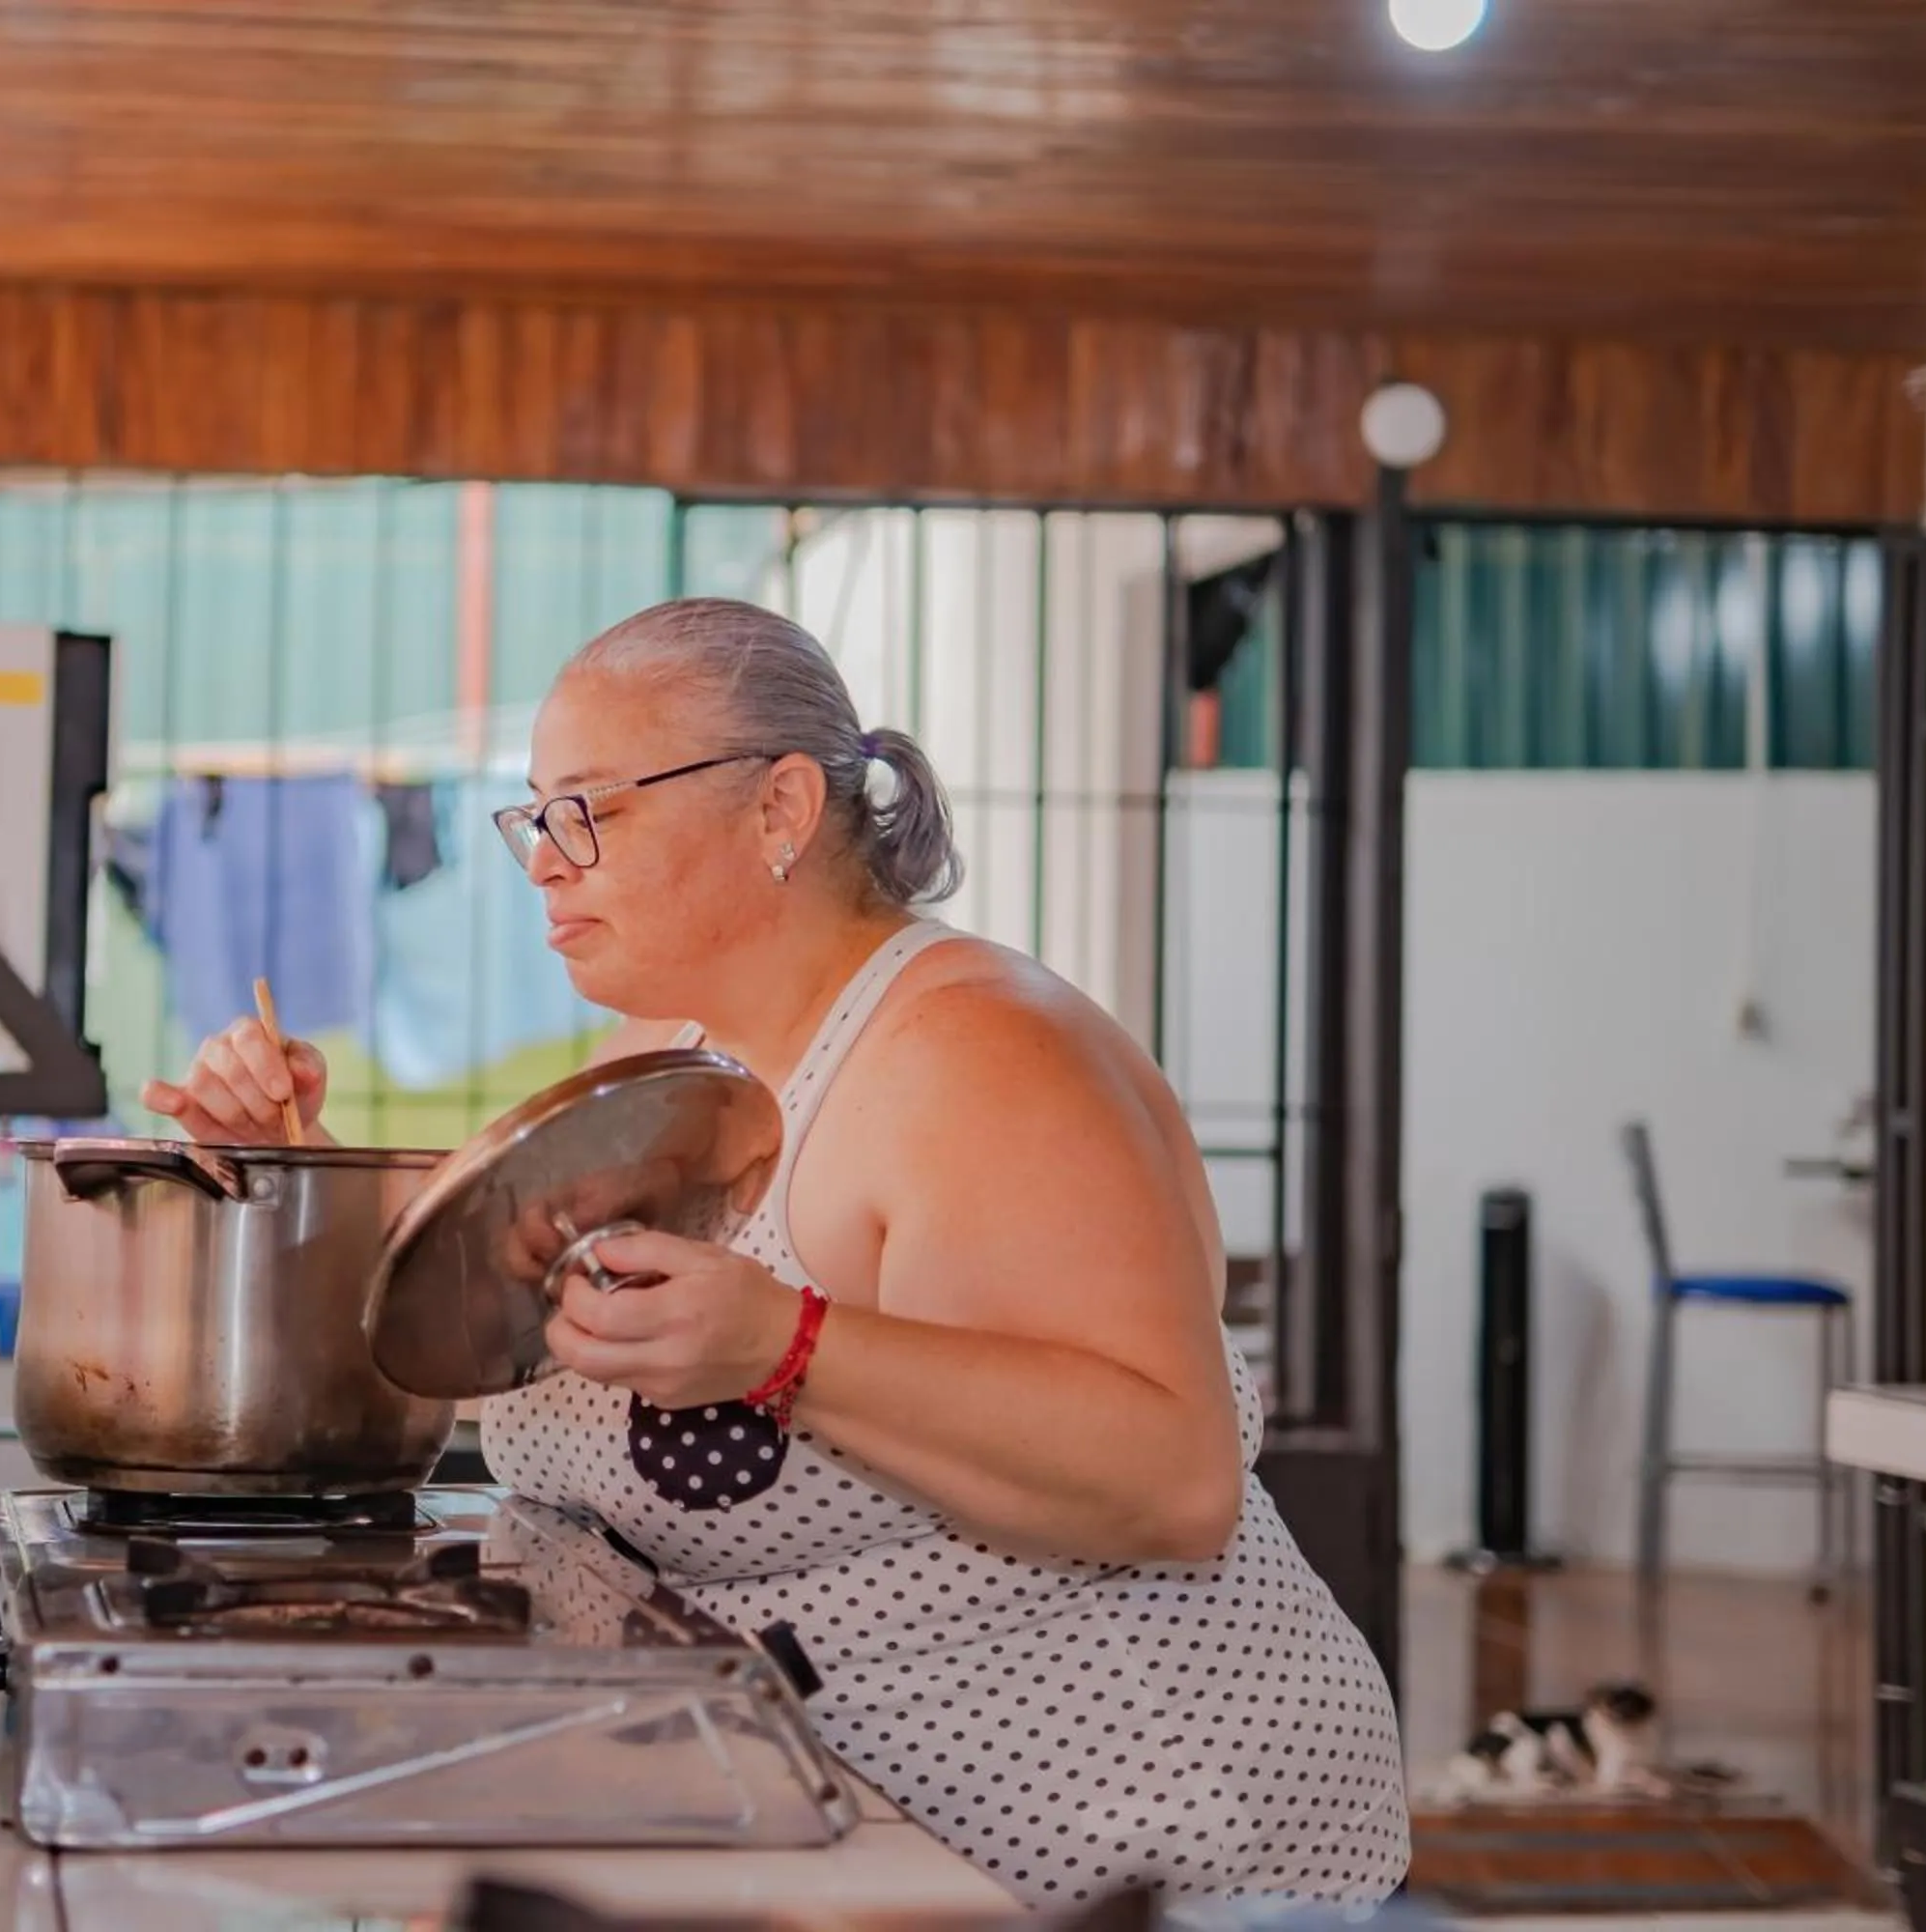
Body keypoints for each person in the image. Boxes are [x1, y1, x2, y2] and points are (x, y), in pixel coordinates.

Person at [143, 596, 1411, 1905]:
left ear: (780, 811)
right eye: (534, 815)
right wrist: (300, 1156)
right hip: (850, 1826)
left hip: (1141, 1850)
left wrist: (786, 1347)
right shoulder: (664, 1060)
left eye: (591, 809)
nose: (543, 861)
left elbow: (1173, 1476)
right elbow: (491, 1305)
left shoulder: (976, 1059)